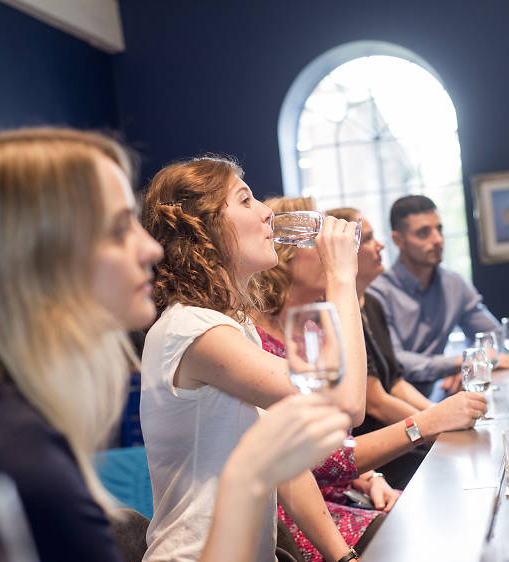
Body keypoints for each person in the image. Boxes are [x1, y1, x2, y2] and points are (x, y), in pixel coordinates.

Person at [0, 128, 351, 562]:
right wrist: (246, 480)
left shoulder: (15, 425)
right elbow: (341, 402)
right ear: (44, 260)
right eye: (118, 230)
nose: (151, 250)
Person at [139, 156, 367, 562]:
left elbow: (287, 466)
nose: (266, 213)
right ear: (204, 229)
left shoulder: (232, 329)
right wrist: (342, 277)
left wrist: (343, 557)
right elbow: (346, 403)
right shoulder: (193, 331)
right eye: (245, 201)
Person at [252, 198, 487, 554]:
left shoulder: (310, 331)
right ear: (282, 256)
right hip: (297, 522)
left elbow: (332, 441)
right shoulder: (255, 341)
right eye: (314, 239)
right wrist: (427, 422)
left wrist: (370, 479)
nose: (329, 250)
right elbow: (321, 455)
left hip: (343, 496)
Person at [368, 195, 509, 398]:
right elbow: (397, 362)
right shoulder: (377, 294)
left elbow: (492, 337)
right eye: (424, 233)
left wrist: (470, 368)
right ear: (398, 240)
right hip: (393, 411)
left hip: (441, 396)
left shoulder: (454, 284)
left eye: (439, 229)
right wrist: (461, 361)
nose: (438, 240)